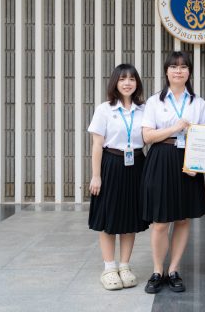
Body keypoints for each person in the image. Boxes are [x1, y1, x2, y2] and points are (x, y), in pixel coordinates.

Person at [140, 51, 205, 294]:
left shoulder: (198, 103)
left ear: (189, 72)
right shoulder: (154, 101)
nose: (178, 71)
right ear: (166, 71)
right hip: (162, 158)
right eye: (173, 67)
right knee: (160, 221)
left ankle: (173, 269)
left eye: (183, 67)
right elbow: (147, 136)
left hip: (189, 161)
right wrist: (176, 127)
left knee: (182, 219)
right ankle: (157, 270)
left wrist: (198, 164)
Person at [88, 64, 149, 290]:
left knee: (130, 217)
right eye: (122, 78)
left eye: (131, 79)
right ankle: (109, 267)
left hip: (137, 164)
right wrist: (96, 176)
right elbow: (96, 144)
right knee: (109, 218)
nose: (127, 83)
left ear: (137, 83)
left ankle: (124, 265)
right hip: (111, 163)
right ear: (115, 82)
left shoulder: (143, 109)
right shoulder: (105, 109)